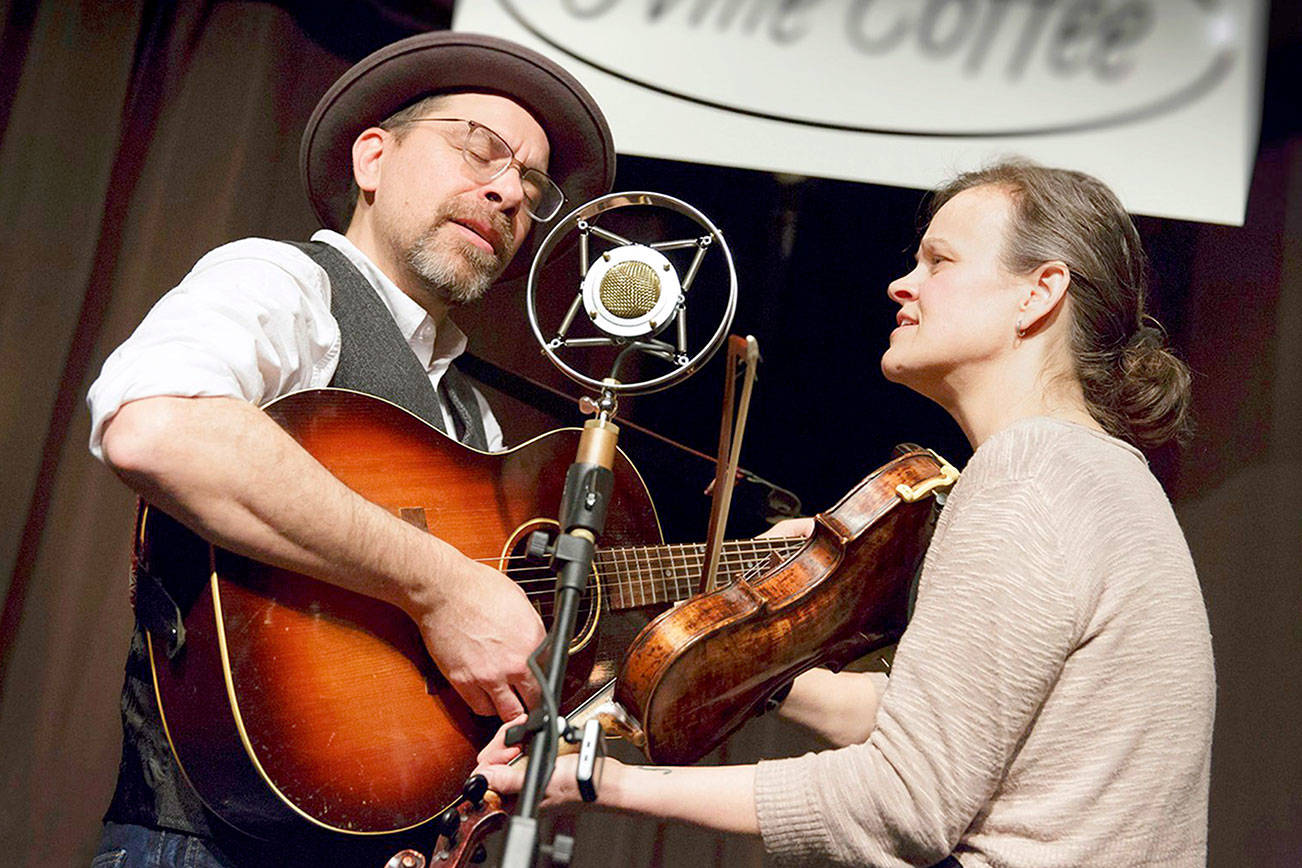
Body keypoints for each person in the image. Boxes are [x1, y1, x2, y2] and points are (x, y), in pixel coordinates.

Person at [479, 159, 1216, 867]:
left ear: (1038, 293)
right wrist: (757, 652)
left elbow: (903, 800)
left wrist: (604, 782)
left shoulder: (1026, 474)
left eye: (940, 262)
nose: (903, 284)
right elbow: (946, 721)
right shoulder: (1104, 475)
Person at [86, 31, 614, 866]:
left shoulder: (476, 422)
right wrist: (444, 588)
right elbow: (155, 424)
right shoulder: (283, 284)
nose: (509, 190)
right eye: (479, 147)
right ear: (373, 158)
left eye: (533, 183)